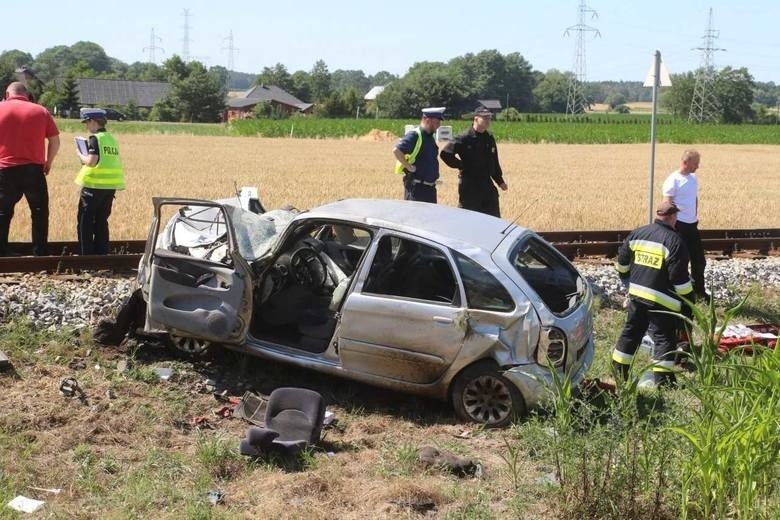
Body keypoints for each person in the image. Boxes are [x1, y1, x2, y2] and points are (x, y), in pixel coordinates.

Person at [612, 200, 694, 388]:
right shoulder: (675, 241)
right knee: (664, 337)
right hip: (662, 301)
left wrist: (628, 283)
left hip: (637, 296)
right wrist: (689, 301)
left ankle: (619, 371)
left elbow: (622, 265)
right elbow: (679, 280)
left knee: (631, 332)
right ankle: (663, 381)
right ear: (673, 217)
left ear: (658, 215)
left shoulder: (638, 233)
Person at [0, 82, 60, 256]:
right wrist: (48, 163)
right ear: (27, 94)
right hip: (33, 170)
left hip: (5, 170)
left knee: (2, 213)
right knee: (39, 211)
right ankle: (39, 251)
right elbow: (55, 141)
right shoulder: (41, 111)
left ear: (7, 93)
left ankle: (2, 251)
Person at [440, 107, 508, 217]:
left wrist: (500, 181)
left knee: (493, 219)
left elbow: (494, 161)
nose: (488, 121)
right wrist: (461, 165)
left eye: (489, 118)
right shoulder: (464, 137)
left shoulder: (489, 138)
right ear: (476, 119)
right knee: (469, 218)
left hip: (487, 184)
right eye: (485, 118)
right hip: (470, 185)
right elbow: (445, 154)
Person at [75, 108, 126, 255]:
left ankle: (86, 256)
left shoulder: (95, 139)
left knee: (85, 222)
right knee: (101, 222)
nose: (86, 126)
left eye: (86, 122)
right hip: (109, 187)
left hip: (93, 187)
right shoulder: (111, 139)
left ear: (93, 121)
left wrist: (80, 154)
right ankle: (102, 254)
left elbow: (91, 162)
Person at [663, 149, 709, 301]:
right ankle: (677, 294)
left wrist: (695, 214)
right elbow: (667, 204)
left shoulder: (693, 178)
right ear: (686, 162)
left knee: (699, 260)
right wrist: (670, 226)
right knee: (680, 261)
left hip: (692, 225)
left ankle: (699, 291)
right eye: (695, 163)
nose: (697, 166)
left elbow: (694, 198)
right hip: (679, 225)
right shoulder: (673, 180)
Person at [392, 107, 444, 203]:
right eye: (437, 122)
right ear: (427, 120)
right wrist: (408, 167)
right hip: (416, 189)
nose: (438, 125)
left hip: (430, 189)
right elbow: (397, 150)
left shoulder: (429, 137)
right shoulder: (415, 135)